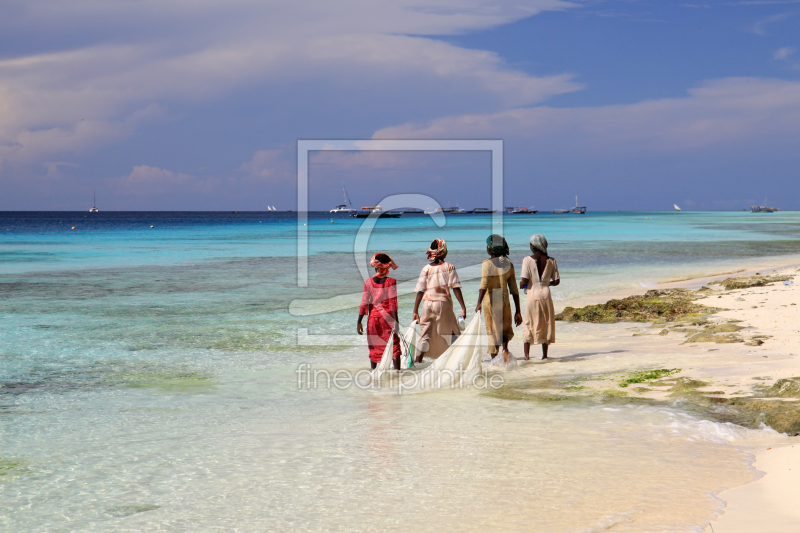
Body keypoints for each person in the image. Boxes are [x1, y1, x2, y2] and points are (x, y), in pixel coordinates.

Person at [411, 239, 467, 362]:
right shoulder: (449, 267)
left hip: (427, 304)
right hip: (443, 303)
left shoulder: (426, 268)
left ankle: (418, 362)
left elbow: (420, 290)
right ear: (443, 252)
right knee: (452, 331)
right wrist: (463, 307)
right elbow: (455, 288)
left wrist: (415, 310)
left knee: (425, 334)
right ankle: (458, 360)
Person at [475, 235, 522, 363]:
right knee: (504, 330)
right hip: (504, 300)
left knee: (492, 332)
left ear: (490, 249)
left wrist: (478, 302)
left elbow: (483, 285)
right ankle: (505, 349)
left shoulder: (487, 264)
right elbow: (514, 290)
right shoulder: (508, 265)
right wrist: (518, 311)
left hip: (491, 301)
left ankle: (495, 363)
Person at [357, 253, 402, 370]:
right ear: (387, 267)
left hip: (372, 319)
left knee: (374, 348)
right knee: (395, 347)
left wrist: (359, 321)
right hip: (387, 319)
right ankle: (398, 376)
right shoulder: (391, 282)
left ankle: (374, 375)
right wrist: (396, 322)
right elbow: (393, 304)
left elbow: (364, 303)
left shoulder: (368, 282)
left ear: (375, 266)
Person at [520, 234, 560, 360]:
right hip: (546, 293)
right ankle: (545, 355)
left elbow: (525, 280)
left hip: (533, 293)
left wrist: (522, 285)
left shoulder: (527, 260)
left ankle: (527, 356)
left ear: (534, 246)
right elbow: (557, 281)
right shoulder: (552, 260)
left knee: (528, 323)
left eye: (531, 244)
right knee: (546, 322)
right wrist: (547, 283)